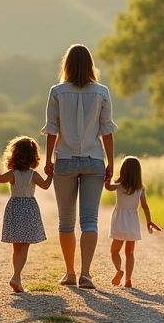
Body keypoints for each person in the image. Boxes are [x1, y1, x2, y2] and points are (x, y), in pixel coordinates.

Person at [42, 44, 117, 290]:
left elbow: (52, 128)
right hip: (94, 160)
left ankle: (70, 272)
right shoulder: (102, 91)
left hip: (64, 159)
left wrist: (48, 160)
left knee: (66, 221)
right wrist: (111, 163)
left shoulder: (57, 91)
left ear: (67, 65)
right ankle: (86, 274)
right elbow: (107, 131)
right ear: (90, 65)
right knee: (90, 220)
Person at [0, 136, 52, 293]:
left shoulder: (12, 174)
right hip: (28, 209)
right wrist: (51, 174)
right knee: (24, 246)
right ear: (33, 156)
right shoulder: (33, 175)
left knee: (16, 247)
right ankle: (16, 276)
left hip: (14, 207)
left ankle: (17, 278)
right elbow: (46, 185)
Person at [104, 156, 162, 288]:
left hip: (119, 221)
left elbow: (107, 187)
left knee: (114, 251)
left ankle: (119, 270)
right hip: (133, 222)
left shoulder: (118, 186)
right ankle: (128, 280)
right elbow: (144, 206)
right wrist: (149, 221)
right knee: (130, 252)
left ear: (123, 171)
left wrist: (107, 176)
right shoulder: (140, 189)